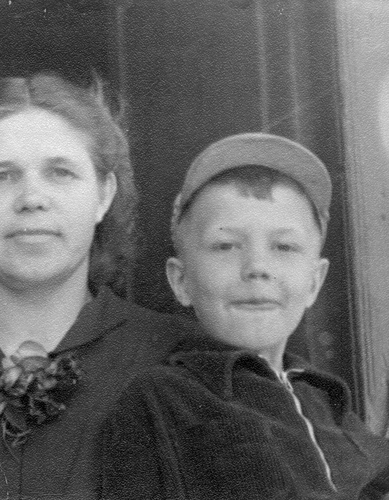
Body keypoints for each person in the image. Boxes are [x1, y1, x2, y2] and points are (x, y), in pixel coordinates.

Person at [0, 72, 191, 499]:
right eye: (1, 176)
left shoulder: (176, 359)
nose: (32, 198)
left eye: (61, 172)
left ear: (103, 195)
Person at [100, 133, 389, 499]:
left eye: (284, 246)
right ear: (181, 280)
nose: (257, 267)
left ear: (314, 282)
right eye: (226, 246)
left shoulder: (324, 398)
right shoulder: (162, 396)